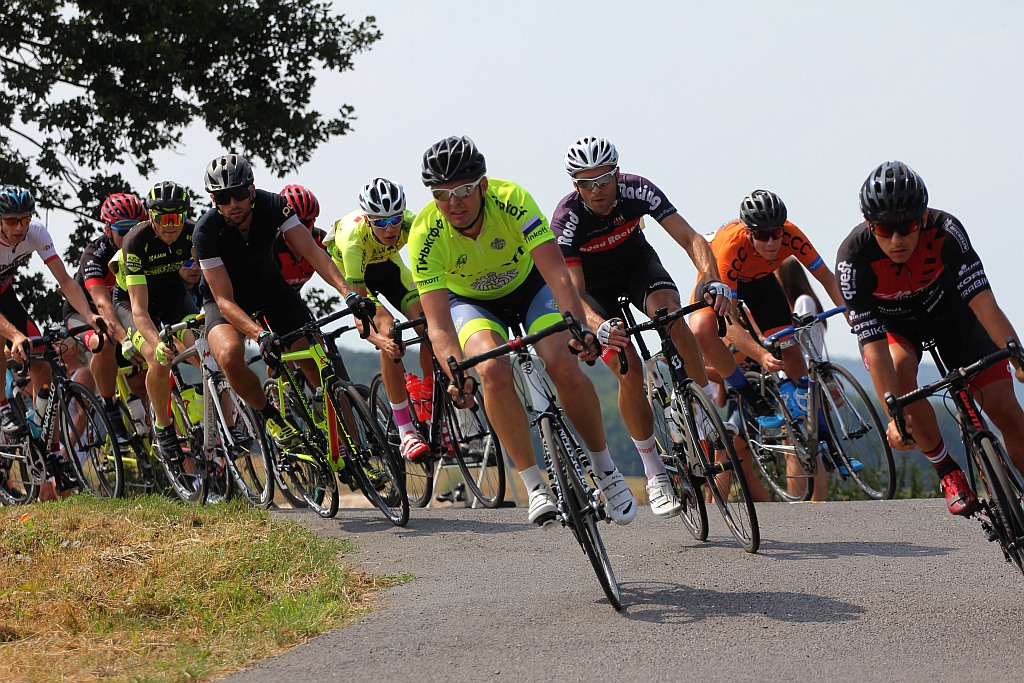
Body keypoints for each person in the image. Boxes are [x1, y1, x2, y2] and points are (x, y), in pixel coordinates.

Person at [409, 135, 636, 527]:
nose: (454, 202)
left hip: (531, 288)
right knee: (491, 371)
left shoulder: (512, 200)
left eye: (464, 190)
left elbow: (559, 277)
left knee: (561, 362)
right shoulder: (424, 235)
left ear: (482, 185)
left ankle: (606, 469)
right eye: (442, 194)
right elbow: (439, 326)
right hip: (473, 304)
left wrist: (577, 329)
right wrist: (455, 371)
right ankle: (534, 485)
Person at [549, 136, 732, 519]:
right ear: (575, 186)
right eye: (587, 182)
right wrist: (598, 327)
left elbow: (691, 237)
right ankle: (654, 472)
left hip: (636, 265)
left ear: (617, 174)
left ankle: (702, 415)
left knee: (672, 316)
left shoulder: (638, 189)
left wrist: (713, 279)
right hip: (592, 290)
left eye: (604, 179)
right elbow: (574, 293)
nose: (598, 190)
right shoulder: (567, 219)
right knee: (627, 365)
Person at [837, 160, 1024, 516]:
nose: (896, 240)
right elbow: (874, 350)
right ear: (868, 224)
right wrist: (894, 415)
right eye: (883, 228)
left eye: (906, 226)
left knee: (1009, 414)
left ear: (921, 218)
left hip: (953, 315)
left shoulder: (947, 230)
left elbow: (985, 304)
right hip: (896, 328)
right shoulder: (852, 261)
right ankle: (947, 471)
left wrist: (1016, 356)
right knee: (899, 369)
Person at [192, 153, 372, 451]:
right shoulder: (205, 232)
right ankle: (271, 416)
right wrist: (259, 334)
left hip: (270, 289)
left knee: (314, 361)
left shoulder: (274, 205)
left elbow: (314, 253)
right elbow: (223, 300)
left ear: (251, 190)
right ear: (213, 200)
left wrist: (348, 292)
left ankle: (355, 447)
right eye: (223, 198)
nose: (232, 204)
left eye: (238, 193)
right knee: (229, 355)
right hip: (227, 301)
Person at [690, 190, 845, 427]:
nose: (771, 242)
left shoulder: (792, 234)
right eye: (762, 235)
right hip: (719, 277)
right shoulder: (732, 247)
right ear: (750, 233)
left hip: (760, 280)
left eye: (775, 233)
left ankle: (824, 437)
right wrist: (761, 355)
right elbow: (728, 322)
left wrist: (853, 315)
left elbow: (827, 278)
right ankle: (750, 397)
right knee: (703, 330)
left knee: (790, 348)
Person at [324, 178, 433, 462]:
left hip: (389, 266)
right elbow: (361, 318)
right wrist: (379, 340)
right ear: (368, 219)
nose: (390, 229)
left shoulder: (412, 223)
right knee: (388, 330)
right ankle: (406, 431)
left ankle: (428, 395)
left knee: (430, 325)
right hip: (356, 274)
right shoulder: (352, 241)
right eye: (381, 222)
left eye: (395, 220)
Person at [0, 185, 110, 437]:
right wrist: (15, 336)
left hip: (4, 295)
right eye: (11, 221)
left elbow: (66, 281)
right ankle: (3, 408)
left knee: (41, 359)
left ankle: (42, 433)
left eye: (24, 220)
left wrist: (89, 315)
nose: (19, 227)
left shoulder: (35, 232)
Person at [113, 181, 199, 463]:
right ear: (151, 217)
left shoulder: (193, 234)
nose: (171, 225)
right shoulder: (136, 242)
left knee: (206, 350)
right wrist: (156, 343)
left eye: (177, 217)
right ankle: (163, 428)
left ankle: (223, 420)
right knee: (158, 358)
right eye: (164, 218)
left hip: (172, 295)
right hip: (133, 302)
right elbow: (139, 309)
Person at [64, 193, 148, 437]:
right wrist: (125, 339)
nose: (130, 235)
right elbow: (102, 305)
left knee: (144, 373)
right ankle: (108, 405)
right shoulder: (95, 254)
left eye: (136, 228)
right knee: (105, 340)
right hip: (85, 313)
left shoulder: (142, 248)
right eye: (123, 230)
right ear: (108, 230)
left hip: (122, 313)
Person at [275, 184, 327, 291]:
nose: (301, 230)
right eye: (295, 224)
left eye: (306, 223)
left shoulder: (322, 241)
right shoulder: (272, 245)